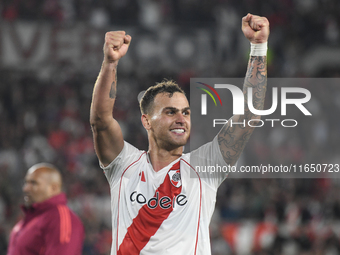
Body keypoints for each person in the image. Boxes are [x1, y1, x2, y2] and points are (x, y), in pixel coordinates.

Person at [90, 13, 269, 255]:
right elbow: (100, 121)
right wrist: (110, 63)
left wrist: (258, 47)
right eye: (170, 112)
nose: (181, 119)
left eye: (186, 112)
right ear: (146, 121)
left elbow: (250, 115)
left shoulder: (206, 166)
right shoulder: (123, 165)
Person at [7, 163, 84, 255]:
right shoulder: (27, 222)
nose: (25, 189)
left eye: (33, 183)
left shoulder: (60, 219)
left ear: (53, 188)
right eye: (26, 183)